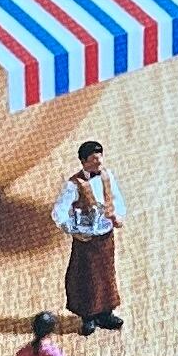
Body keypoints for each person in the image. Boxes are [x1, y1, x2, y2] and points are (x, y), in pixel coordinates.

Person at [53, 138, 124, 333]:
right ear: (84, 161)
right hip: (87, 239)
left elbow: (117, 198)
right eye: (93, 159)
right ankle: (88, 316)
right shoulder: (74, 185)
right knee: (87, 277)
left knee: (106, 275)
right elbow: (58, 212)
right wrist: (73, 230)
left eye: (100, 157)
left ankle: (106, 312)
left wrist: (118, 216)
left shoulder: (107, 176)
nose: (99, 162)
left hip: (105, 236)